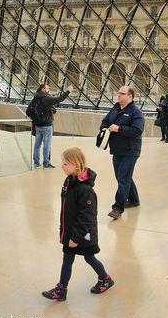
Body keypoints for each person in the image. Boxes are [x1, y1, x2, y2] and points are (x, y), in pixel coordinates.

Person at [42, 147, 113, 301]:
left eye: (66, 164)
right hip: (70, 232)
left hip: (82, 234)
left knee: (89, 257)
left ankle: (105, 278)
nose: (62, 166)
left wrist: (75, 237)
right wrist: (65, 230)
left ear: (76, 164)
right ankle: (61, 289)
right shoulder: (69, 181)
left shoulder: (85, 189)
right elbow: (67, 209)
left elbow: (86, 216)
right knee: (67, 258)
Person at [99, 86, 144, 220]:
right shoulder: (115, 108)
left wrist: (119, 128)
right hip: (117, 149)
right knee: (122, 176)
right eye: (118, 93)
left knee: (123, 178)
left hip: (130, 151)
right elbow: (105, 121)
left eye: (122, 94)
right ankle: (134, 200)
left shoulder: (136, 112)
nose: (118, 95)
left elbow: (137, 130)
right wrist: (104, 128)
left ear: (130, 97)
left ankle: (118, 208)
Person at [27, 82, 73, 169]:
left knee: (37, 145)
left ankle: (36, 163)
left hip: (37, 126)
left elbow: (28, 111)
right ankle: (46, 163)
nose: (49, 90)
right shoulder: (46, 98)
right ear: (43, 89)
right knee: (46, 145)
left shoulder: (35, 98)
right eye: (47, 88)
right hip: (47, 126)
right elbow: (60, 99)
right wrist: (68, 91)